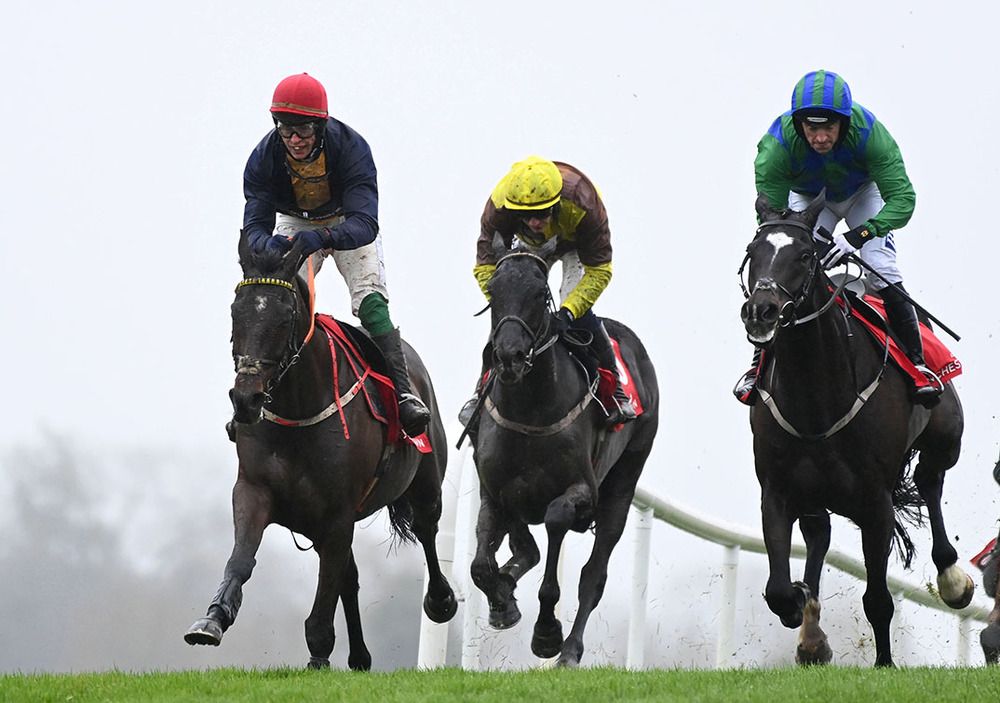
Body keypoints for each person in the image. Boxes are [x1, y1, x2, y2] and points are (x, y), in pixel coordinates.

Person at [734, 69, 943, 406]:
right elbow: (772, 219)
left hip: (863, 194)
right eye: (811, 128)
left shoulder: (870, 134)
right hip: (810, 198)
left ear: (844, 124)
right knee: (785, 266)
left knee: (879, 267)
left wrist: (860, 235)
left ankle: (919, 367)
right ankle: (759, 367)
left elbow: (903, 200)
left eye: (828, 127)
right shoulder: (775, 149)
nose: (819, 138)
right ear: (798, 123)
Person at [239, 72, 430, 436]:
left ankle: (405, 394)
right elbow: (254, 230)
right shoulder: (263, 158)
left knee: (370, 302)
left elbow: (365, 224)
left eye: (304, 131)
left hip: (346, 219)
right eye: (286, 129)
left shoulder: (353, 150)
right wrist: (270, 245)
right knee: (272, 292)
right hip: (295, 220)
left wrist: (323, 237)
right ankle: (255, 392)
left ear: (320, 127)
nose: (294, 139)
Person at [459, 156, 637, 427]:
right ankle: (479, 391)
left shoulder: (584, 203)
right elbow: (485, 268)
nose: (534, 222)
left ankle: (617, 393)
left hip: (575, 242)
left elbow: (600, 271)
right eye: (526, 216)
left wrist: (566, 314)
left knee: (571, 301)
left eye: (542, 213)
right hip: (528, 247)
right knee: (512, 316)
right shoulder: (499, 207)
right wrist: (512, 303)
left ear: (555, 205)